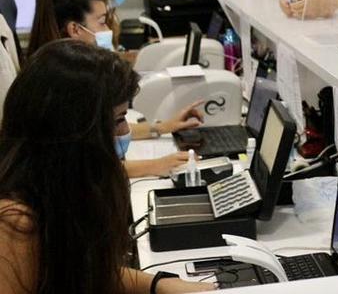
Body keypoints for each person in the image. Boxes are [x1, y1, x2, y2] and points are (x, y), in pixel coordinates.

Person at [0, 40, 214, 293]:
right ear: (75, 130)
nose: (125, 131)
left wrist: (161, 284)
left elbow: (82, 273)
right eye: (119, 119)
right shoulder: (14, 224)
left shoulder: (62, 189)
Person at [28, 0, 204, 177]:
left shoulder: (62, 68)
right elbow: (83, 168)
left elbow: (102, 132)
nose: (108, 31)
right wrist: (158, 165)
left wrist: (162, 127)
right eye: (102, 23)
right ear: (75, 29)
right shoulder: (63, 82)